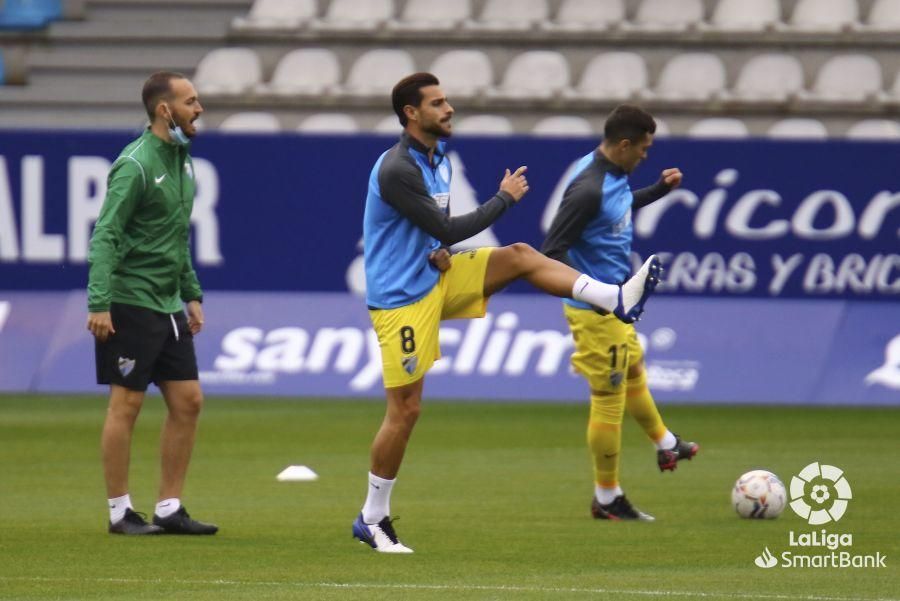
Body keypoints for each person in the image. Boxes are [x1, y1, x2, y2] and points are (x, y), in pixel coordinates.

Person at [352, 73, 662, 553]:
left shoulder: (437, 160)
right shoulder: (397, 168)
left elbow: (430, 234)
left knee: (519, 255)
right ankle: (372, 518)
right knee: (406, 410)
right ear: (411, 114)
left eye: (447, 100)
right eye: (437, 103)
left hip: (434, 277)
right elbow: (446, 226)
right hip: (401, 300)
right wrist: (504, 198)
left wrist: (435, 250)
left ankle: (612, 298)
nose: (448, 107)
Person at [541, 104, 699, 522]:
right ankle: (607, 497)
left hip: (618, 305)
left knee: (633, 373)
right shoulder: (588, 187)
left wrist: (659, 190)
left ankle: (665, 442)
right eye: (644, 149)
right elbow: (550, 254)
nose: (646, 156)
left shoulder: (612, 176)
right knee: (608, 400)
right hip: (596, 312)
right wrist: (594, 294)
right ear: (624, 144)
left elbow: (620, 208)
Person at [87, 71, 217, 536]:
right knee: (127, 405)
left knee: (189, 401)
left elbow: (175, 235)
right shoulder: (136, 164)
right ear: (165, 110)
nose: (199, 108)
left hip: (166, 302)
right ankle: (120, 511)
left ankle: (169, 507)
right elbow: (106, 234)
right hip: (130, 300)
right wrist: (99, 302)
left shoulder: (182, 159)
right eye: (191, 101)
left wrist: (191, 291)